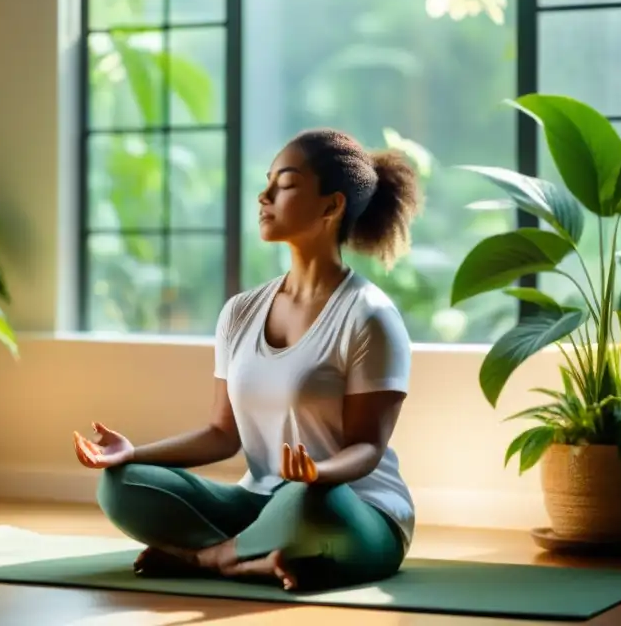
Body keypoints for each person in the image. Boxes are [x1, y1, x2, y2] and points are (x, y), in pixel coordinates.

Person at [72, 128, 422, 592]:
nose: (264, 194)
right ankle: (259, 557)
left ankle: (207, 558)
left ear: (331, 206)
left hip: (350, 509)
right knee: (122, 484)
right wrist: (133, 452)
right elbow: (221, 435)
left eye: (286, 183)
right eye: (268, 181)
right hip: (263, 502)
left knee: (305, 501)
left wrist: (318, 474)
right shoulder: (240, 312)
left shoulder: (370, 316)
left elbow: (366, 449)